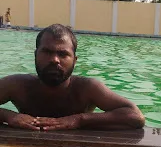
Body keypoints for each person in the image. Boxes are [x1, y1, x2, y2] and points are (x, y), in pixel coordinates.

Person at [0, 24, 145, 131]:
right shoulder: (17, 85)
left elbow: (135, 116)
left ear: (74, 60)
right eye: (47, 52)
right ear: (35, 55)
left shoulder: (87, 89)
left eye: (63, 54)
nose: (55, 60)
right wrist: (8, 116)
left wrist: (79, 119)